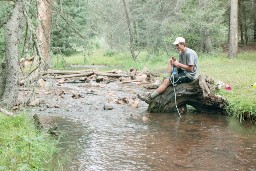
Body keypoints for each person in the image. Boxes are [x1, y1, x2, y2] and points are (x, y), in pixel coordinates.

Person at [138, 37, 199, 103]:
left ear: (182, 44)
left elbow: (190, 68)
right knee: (168, 68)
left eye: (177, 45)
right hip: (184, 71)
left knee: (167, 81)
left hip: (190, 75)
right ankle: (167, 78)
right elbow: (180, 66)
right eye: (176, 45)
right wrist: (174, 64)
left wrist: (177, 64)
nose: (176, 47)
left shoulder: (189, 53)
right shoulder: (181, 53)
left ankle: (150, 98)